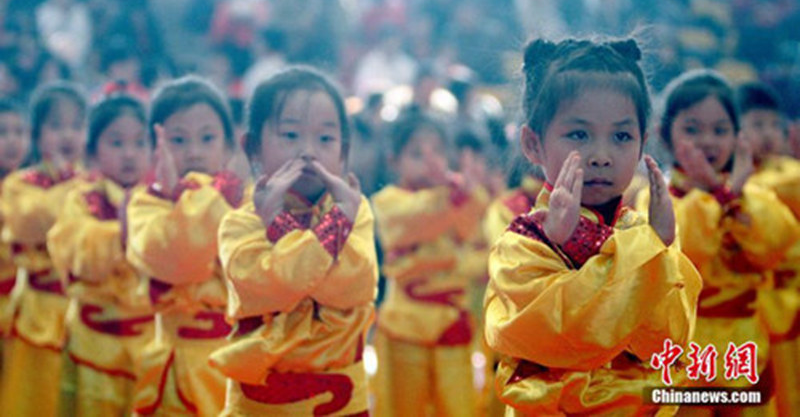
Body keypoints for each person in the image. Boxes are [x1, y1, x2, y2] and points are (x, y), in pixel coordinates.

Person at [484, 38, 702, 415]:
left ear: (642, 144)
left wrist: (661, 245)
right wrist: (639, 253)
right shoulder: (525, 240)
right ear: (533, 144)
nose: (601, 157)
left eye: (621, 136)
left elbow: (671, 341)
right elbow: (570, 334)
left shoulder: (642, 231)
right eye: (579, 135)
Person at [210, 67, 377, 415]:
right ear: (252, 147)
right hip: (260, 403)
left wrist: (282, 227)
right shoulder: (240, 222)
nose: (308, 152)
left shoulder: (355, 212)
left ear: (344, 151)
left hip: (341, 401)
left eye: (325, 139)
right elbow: (272, 287)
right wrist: (282, 222)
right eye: (290, 135)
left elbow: (354, 287)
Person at [657, 71, 800, 413]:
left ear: (737, 137)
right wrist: (722, 196)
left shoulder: (755, 193)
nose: (708, 141)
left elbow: (776, 245)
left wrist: (730, 196)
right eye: (692, 130)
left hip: (745, 344)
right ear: (666, 136)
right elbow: (687, 250)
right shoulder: (656, 196)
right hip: (685, 349)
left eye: (720, 131)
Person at [125, 77, 245, 415]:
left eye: (208, 138)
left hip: (239, 365)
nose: (194, 151)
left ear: (228, 146)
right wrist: (190, 193)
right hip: (179, 371)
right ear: (155, 148)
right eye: (178, 140)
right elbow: (180, 259)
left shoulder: (248, 202)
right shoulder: (147, 204)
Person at [372, 112, 489, 417]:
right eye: (417, 154)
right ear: (393, 160)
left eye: (437, 152)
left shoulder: (457, 196)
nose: (430, 161)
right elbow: (421, 220)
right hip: (405, 329)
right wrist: (456, 196)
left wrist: (462, 195)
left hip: (452, 325)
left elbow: (481, 250)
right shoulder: (388, 202)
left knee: (459, 409)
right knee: (402, 409)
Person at [48, 94, 154, 415]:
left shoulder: (158, 199)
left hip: (150, 346)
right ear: (93, 152)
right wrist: (121, 235)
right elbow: (74, 250)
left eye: (139, 143)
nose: (129, 154)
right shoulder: (81, 199)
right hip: (94, 343)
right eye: (117, 143)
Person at [0, 82, 87, 416]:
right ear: (36, 135)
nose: (67, 135)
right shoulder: (19, 184)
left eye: (76, 126)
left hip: (79, 314)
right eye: (56, 125)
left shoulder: (93, 184)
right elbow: (31, 222)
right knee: (29, 400)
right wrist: (71, 187)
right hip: (36, 311)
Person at [736, 81, 800, 415]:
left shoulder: (787, 175)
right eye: (758, 124)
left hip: (791, 298)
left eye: (775, 125)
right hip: (755, 308)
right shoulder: (731, 181)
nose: (769, 134)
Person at [0, 99, 29, 389]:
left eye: (19, 132)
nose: (12, 141)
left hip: (24, 310)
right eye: (3, 132)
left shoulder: (34, 189)